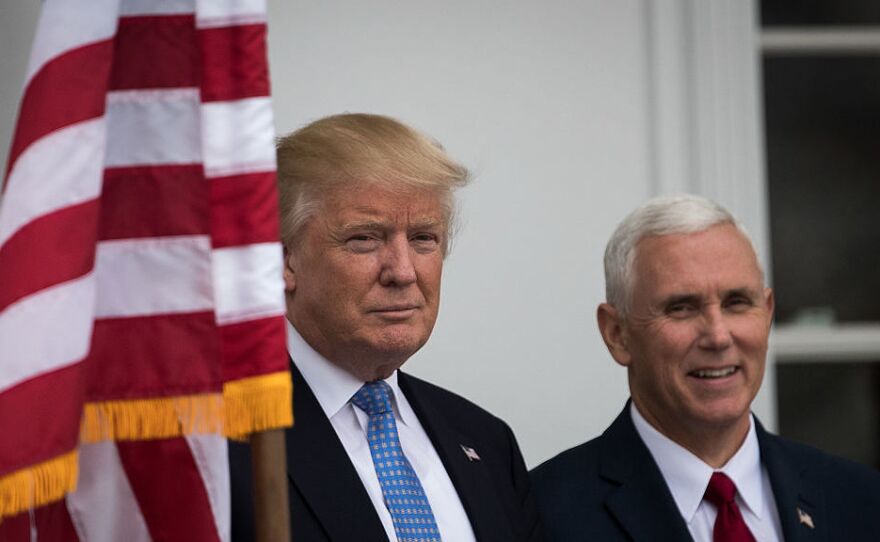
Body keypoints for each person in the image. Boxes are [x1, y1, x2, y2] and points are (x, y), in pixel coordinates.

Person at [229, 113, 541, 541]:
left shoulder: (486, 441)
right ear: (283, 260)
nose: (403, 271)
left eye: (423, 239)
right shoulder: (218, 440)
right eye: (365, 238)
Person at [531, 194, 880, 541]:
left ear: (768, 313)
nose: (717, 336)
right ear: (617, 334)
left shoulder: (859, 500)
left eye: (737, 302)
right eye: (681, 307)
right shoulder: (538, 515)